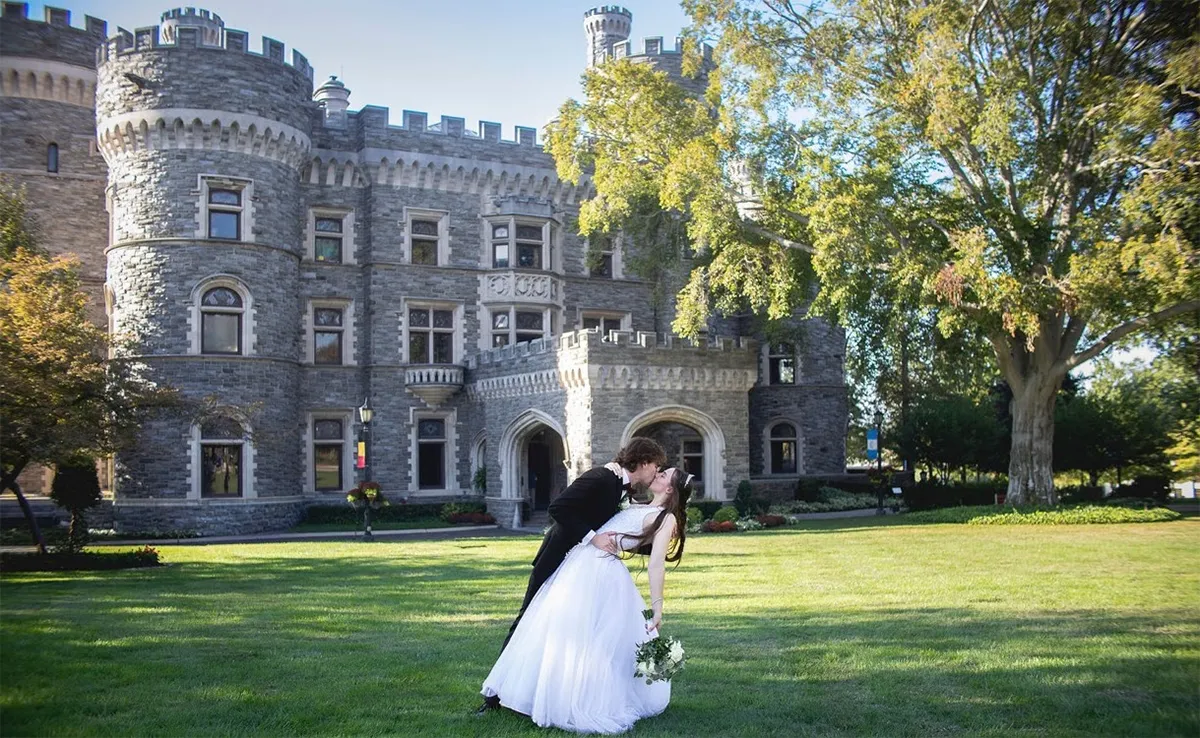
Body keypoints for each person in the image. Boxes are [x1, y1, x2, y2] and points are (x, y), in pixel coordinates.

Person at [480, 466, 693, 734]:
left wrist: (658, 607)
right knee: (557, 629)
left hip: (601, 574)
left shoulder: (666, 519)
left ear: (670, 489)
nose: (657, 475)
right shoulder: (636, 504)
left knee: (594, 638)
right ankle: (543, 692)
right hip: (579, 563)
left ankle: (580, 699)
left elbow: (656, 565)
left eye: (664, 476)